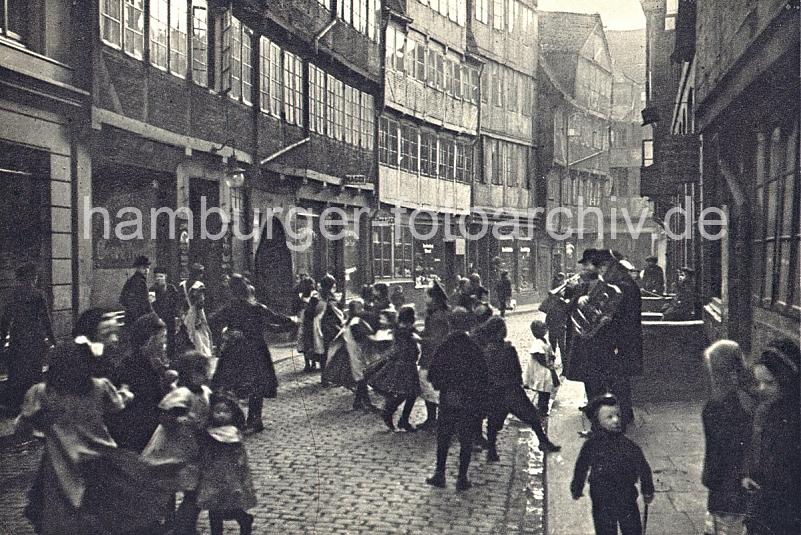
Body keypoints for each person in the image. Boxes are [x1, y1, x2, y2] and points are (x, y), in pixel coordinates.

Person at [15, 313, 175, 535]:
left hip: (62, 463)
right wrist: (126, 394)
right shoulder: (99, 387)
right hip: (101, 461)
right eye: (107, 333)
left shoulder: (41, 392)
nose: (114, 339)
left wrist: (43, 426)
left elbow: (24, 423)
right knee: (115, 510)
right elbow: (118, 404)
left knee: (63, 514)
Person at [567, 249, 643, 431]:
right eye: (600, 267)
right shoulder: (616, 284)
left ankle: (617, 421)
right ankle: (617, 418)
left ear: (614, 266)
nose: (602, 271)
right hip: (614, 341)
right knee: (614, 381)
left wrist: (606, 319)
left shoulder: (623, 286)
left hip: (620, 342)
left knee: (617, 381)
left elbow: (625, 316)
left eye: (605, 267)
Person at [210, 274, 296, 433]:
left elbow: (213, 320)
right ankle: (254, 419)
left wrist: (226, 333)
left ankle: (234, 419)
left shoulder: (230, 308)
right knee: (257, 385)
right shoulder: (256, 307)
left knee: (230, 383)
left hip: (235, 351)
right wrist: (293, 322)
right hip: (256, 350)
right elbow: (275, 321)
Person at [142, 350, 212, 535]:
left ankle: (184, 526)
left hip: (192, 449)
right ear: (188, 374)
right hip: (171, 449)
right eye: (200, 372)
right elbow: (165, 416)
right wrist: (181, 419)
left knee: (195, 489)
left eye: (206, 371)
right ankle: (174, 525)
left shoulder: (205, 392)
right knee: (169, 487)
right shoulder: (181, 393)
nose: (205, 376)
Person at [478, 317, 560, 464]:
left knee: (493, 423)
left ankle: (492, 451)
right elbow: (517, 369)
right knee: (532, 417)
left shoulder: (485, 352)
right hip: (512, 390)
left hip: (495, 392)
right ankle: (543, 441)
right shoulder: (508, 349)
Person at [571, 394, 655, 535]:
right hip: (601, 496)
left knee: (632, 529)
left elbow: (643, 468)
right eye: (609, 417)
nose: (616, 420)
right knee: (605, 529)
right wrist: (577, 487)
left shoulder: (628, 445)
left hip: (626, 495)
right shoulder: (591, 445)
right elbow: (581, 467)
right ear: (597, 421)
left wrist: (647, 489)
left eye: (618, 416)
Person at [425, 307, 488, 491]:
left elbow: (432, 374)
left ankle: (440, 474)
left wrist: (443, 386)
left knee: (444, 437)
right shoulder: (473, 347)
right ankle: (462, 478)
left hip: (449, 398)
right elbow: (483, 375)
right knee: (466, 439)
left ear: (450, 324)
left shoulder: (444, 346)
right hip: (469, 400)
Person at [742, 339, 800, 535]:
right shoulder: (764, 410)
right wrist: (748, 473)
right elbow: (754, 447)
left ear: (787, 379)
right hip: (763, 502)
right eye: (759, 382)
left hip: (789, 505)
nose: (761, 388)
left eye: (769, 382)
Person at [700, 340, 754, 535]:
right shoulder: (747, 399)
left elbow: (717, 450)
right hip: (738, 481)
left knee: (723, 526)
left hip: (724, 483)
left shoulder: (718, 406)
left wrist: (709, 476)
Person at [107, 312, 175, 453]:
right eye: (162, 337)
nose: (164, 343)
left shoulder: (156, 363)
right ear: (149, 340)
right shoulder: (129, 368)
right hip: (136, 440)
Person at [197, 392, 256, 535]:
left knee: (230, 506)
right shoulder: (208, 431)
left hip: (229, 476)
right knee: (214, 508)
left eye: (226, 412)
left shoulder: (232, 433)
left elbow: (239, 457)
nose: (221, 415)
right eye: (218, 412)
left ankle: (244, 520)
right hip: (212, 475)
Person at [0, 262, 54, 412]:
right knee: (34, 372)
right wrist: (52, 339)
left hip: (18, 338)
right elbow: (46, 320)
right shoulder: (38, 294)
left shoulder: (13, 295)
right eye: (35, 275)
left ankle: (15, 405)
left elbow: (5, 319)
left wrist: (3, 338)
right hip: (35, 338)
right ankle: (34, 405)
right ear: (31, 276)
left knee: (16, 372)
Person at [366, 306, 421, 432]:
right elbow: (410, 347)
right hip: (406, 365)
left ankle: (395, 415)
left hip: (402, 363)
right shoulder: (407, 330)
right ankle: (393, 414)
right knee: (409, 393)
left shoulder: (398, 329)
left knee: (407, 392)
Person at [321, 298, 376, 410]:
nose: (362, 310)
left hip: (354, 352)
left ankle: (359, 403)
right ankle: (365, 403)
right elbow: (361, 337)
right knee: (362, 377)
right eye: (360, 308)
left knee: (362, 377)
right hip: (356, 352)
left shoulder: (349, 321)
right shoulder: (356, 322)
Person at [419, 281, 450, 431]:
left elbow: (436, 340)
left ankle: (436, 421)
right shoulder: (435, 314)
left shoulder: (438, 316)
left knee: (429, 387)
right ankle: (432, 420)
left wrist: (419, 339)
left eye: (426, 296)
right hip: (432, 357)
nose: (424, 299)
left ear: (433, 298)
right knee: (429, 388)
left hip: (433, 358)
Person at [525, 320, 561, 415]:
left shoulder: (544, 341)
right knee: (543, 389)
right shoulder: (537, 343)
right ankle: (542, 407)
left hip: (547, 367)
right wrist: (547, 364)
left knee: (546, 388)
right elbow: (538, 355)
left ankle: (543, 406)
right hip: (542, 369)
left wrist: (551, 357)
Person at [316, 274, 345, 383]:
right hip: (331, 327)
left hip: (322, 327)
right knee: (335, 351)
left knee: (324, 353)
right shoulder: (329, 298)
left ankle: (325, 377)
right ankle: (333, 377)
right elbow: (337, 313)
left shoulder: (319, 296)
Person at [151, 267, 181, 360]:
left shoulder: (171, 288)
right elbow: (151, 305)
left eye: (161, 276)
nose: (159, 278)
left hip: (170, 316)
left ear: (165, 277)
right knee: (158, 339)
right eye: (156, 277)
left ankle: (171, 358)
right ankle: (160, 358)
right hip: (158, 317)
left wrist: (177, 314)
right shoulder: (152, 290)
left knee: (171, 338)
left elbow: (177, 302)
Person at [183, 281, 213, 366]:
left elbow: (204, 321)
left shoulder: (200, 304)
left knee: (204, 339)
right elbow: (190, 327)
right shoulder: (193, 307)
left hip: (200, 323)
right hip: (195, 322)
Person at [120, 255, 153, 330]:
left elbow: (122, 300)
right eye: (143, 268)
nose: (146, 270)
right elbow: (146, 302)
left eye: (148, 268)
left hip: (130, 317)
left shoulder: (131, 280)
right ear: (138, 268)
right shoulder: (140, 282)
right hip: (139, 318)